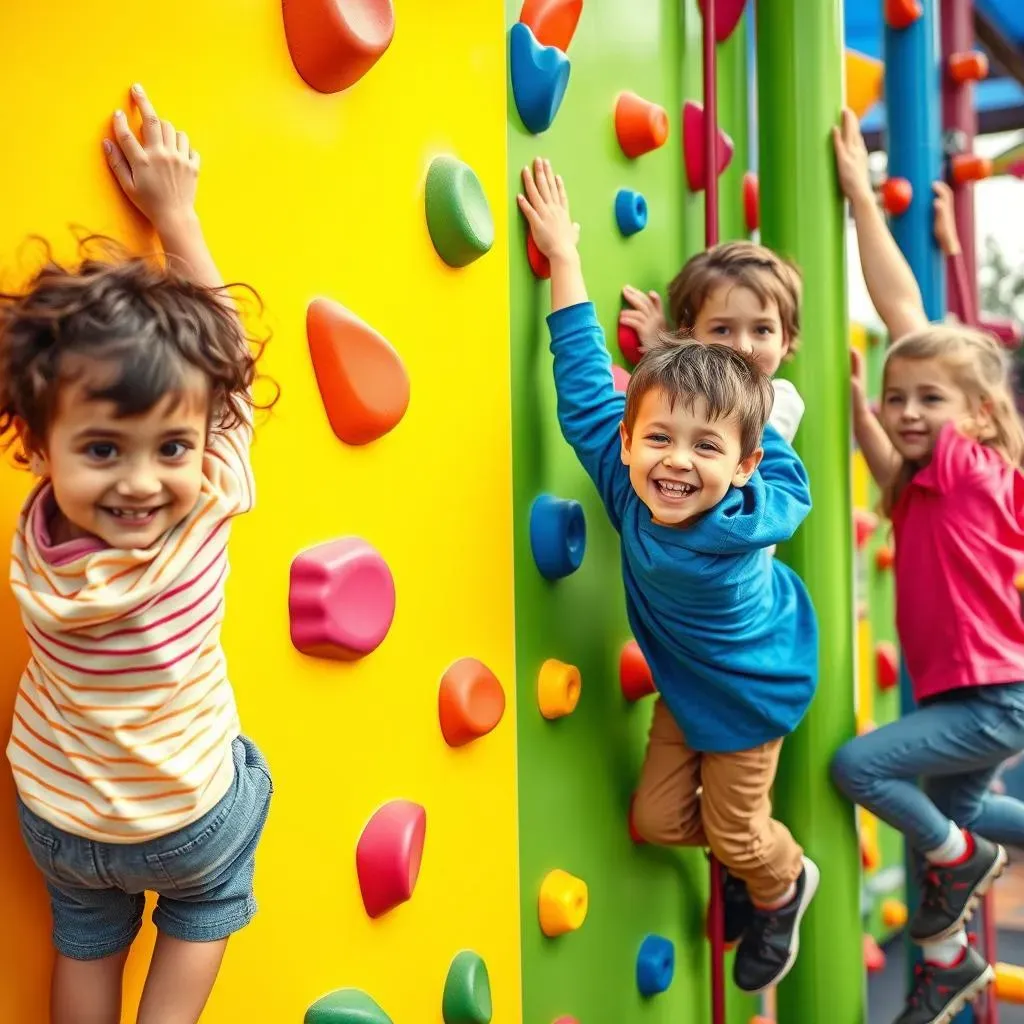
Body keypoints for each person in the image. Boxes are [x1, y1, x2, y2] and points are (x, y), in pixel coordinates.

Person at [0, 84, 273, 1024]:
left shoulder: (35, 546)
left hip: (58, 815)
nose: (146, 482)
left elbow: (181, 405)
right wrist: (176, 215)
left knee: (85, 944)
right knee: (212, 888)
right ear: (42, 446)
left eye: (169, 449)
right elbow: (229, 364)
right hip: (186, 821)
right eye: (107, 450)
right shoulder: (209, 507)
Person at [517, 156, 820, 993]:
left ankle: (782, 881)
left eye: (707, 450)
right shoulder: (626, 473)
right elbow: (584, 389)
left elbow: (781, 477)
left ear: (747, 463)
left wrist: (680, 364)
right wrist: (563, 255)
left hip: (754, 692)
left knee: (740, 834)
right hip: (686, 685)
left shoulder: (744, 516)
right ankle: (737, 849)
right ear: (626, 441)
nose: (676, 465)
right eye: (657, 439)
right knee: (655, 818)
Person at [831, 106, 1024, 1024]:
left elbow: (906, 316)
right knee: (970, 818)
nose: (909, 411)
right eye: (899, 399)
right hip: (971, 701)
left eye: (930, 402)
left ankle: (954, 866)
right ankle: (946, 962)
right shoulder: (921, 488)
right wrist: (862, 410)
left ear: (981, 419)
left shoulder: (974, 471)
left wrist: (864, 200)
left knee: (861, 771)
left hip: (990, 699)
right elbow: (887, 441)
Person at [619, 240, 805, 446]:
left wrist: (660, 351)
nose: (743, 347)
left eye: (762, 330)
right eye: (722, 329)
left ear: (784, 340)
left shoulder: (780, 399)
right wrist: (665, 352)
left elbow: (730, 428)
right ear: (687, 333)